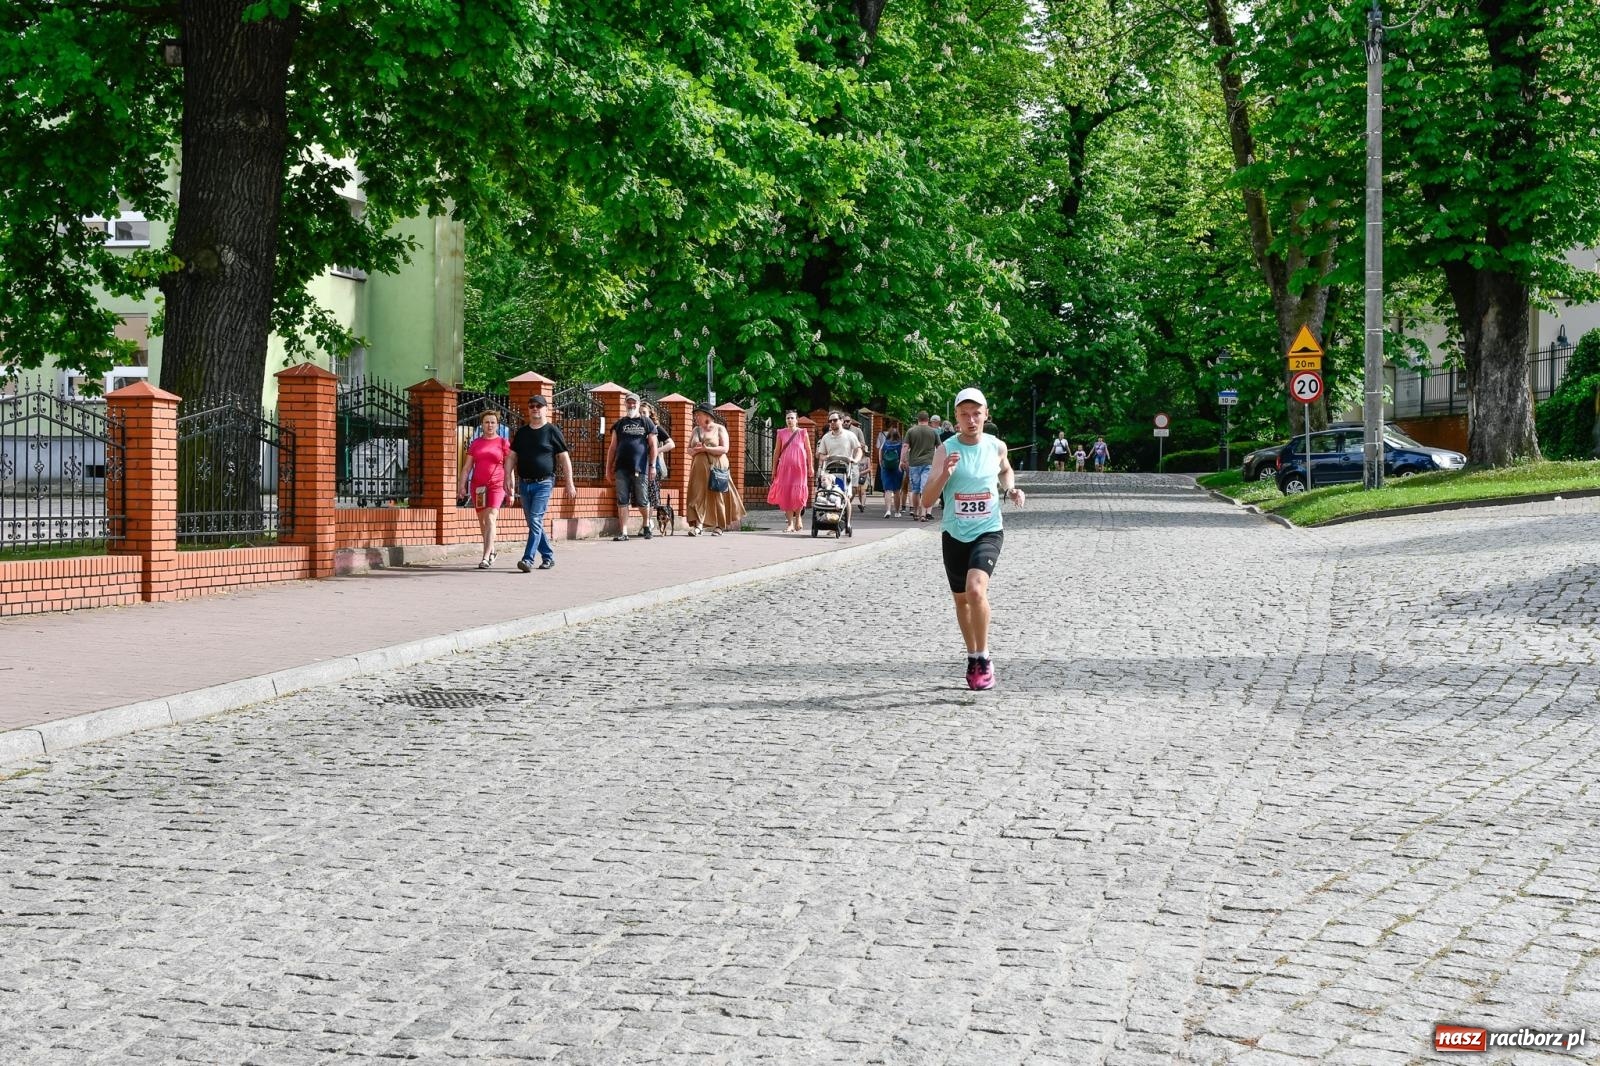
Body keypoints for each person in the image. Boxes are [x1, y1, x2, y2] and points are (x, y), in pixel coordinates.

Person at [921, 387, 1024, 691]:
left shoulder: (996, 447)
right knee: (961, 600)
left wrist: (1010, 489)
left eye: (976, 413)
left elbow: (1005, 471)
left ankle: (985, 656)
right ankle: (972, 656)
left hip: (988, 529)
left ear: (986, 414)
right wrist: (944, 475)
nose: (971, 419)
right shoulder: (945, 449)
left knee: (975, 590)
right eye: (964, 414)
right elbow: (927, 500)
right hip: (954, 532)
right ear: (956, 417)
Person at [507, 394, 576, 572]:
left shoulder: (552, 431)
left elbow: (564, 458)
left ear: (546, 409)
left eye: (539, 406)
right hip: (524, 483)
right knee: (533, 523)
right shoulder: (522, 433)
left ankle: (527, 559)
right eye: (532, 406)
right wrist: (507, 476)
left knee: (536, 519)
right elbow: (512, 456)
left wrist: (569, 482)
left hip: (544, 482)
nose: (535, 409)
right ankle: (548, 556)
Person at [456, 410, 513, 569]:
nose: (490, 425)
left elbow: (509, 468)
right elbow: (467, 467)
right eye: (487, 422)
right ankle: (492, 550)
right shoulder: (476, 443)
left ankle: (486, 557)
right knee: (482, 521)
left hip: (497, 484)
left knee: (490, 518)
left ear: (497, 424)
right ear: (482, 425)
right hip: (478, 486)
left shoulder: (503, 443)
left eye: (493, 422)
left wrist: (511, 490)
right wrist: (462, 485)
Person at [604, 392, 658, 541]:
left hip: (640, 467)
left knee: (642, 499)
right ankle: (624, 532)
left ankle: (646, 524)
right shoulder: (619, 424)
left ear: (638, 404)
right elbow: (612, 447)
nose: (631, 405)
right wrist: (608, 469)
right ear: (625, 404)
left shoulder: (646, 422)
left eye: (634, 402)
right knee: (622, 500)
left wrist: (652, 466)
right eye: (629, 402)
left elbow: (653, 446)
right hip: (621, 468)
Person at [685, 402, 746, 535]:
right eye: (695, 415)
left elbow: (725, 448)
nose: (696, 418)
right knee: (697, 495)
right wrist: (694, 450)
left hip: (717, 466)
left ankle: (719, 526)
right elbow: (688, 450)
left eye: (698, 415)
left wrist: (706, 448)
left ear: (707, 415)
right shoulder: (696, 430)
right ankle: (698, 526)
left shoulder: (719, 429)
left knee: (717, 495)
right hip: (699, 468)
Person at [766, 409, 811, 532]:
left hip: (800, 468)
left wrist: (811, 467)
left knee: (799, 493)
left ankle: (799, 518)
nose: (790, 420)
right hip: (784, 468)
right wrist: (773, 469)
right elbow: (776, 452)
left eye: (792, 418)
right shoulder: (781, 433)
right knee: (787, 494)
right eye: (788, 418)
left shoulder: (803, 433)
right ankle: (790, 524)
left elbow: (808, 450)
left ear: (797, 420)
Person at [815, 411, 863, 503]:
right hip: (831, 468)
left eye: (835, 420)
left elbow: (859, 450)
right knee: (829, 490)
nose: (832, 422)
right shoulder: (826, 437)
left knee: (851, 491)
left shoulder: (850, 435)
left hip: (848, 467)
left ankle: (845, 506)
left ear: (841, 420)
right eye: (830, 421)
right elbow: (820, 454)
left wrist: (855, 459)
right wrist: (825, 457)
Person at [902, 411, 941, 523]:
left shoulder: (911, 431)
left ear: (917, 419)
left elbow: (905, 446)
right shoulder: (933, 432)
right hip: (929, 463)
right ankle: (923, 514)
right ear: (928, 419)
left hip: (914, 463)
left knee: (915, 490)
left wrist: (902, 460)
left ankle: (915, 512)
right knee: (925, 489)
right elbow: (940, 448)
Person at [640, 402, 675, 524]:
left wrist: (656, 450)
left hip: (654, 465)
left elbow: (671, 444)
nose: (642, 415)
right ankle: (647, 521)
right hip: (640, 465)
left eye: (644, 412)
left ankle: (647, 522)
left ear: (650, 414)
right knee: (641, 495)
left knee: (650, 495)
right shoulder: (636, 428)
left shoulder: (656, 428)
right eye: (640, 413)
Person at [842, 414, 869, 512]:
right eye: (844, 421)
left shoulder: (857, 431)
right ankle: (842, 504)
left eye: (848, 421)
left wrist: (855, 445)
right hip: (841, 461)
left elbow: (863, 444)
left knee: (854, 487)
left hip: (853, 461)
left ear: (851, 421)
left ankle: (847, 502)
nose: (846, 423)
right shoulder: (838, 431)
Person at [879, 426, 905, 518]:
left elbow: (880, 455)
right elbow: (903, 456)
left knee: (888, 490)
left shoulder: (884, 443)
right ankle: (897, 512)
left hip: (886, 468)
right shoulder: (901, 444)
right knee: (897, 490)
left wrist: (882, 465)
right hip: (897, 468)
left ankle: (888, 510)